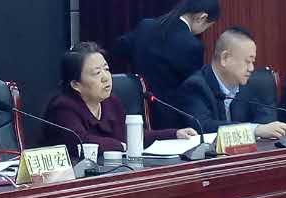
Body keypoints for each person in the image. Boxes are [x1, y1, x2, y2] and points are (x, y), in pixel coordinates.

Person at [45, 42, 198, 154]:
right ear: (76, 84)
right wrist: (122, 146)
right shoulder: (63, 108)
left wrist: (174, 134)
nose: (106, 77)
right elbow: (81, 142)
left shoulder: (111, 102)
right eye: (97, 73)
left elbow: (132, 137)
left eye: (106, 69)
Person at [115, 0, 220, 127]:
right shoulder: (192, 45)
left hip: (135, 113)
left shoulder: (146, 26)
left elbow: (119, 48)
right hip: (172, 120)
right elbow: (192, 88)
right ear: (202, 18)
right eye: (208, 26)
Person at [172, 26, 286, 140]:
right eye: (247, 61)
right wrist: (254, 130)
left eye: (253, 62)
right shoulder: (195, 87)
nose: (251, 68)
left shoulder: (255, 85)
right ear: (225, 58)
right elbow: (203, 127)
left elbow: (267, 125)